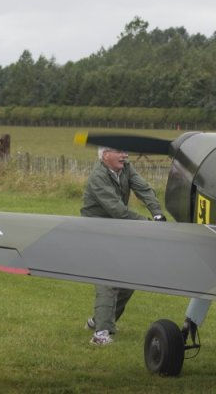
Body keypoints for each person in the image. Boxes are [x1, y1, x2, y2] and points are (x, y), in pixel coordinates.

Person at [81, 146, 166, 346]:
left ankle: (98, 320)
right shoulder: (97, 177)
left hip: (117, 229)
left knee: (129, 279)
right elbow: (117, 210)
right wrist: (147, 224)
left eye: (125, 152)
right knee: (107, 278)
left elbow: (144, 189)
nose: (125, 155)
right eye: (119, 152)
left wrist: (157, 214)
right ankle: (100, 334)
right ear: (105, 155)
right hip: (96, 230)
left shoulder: (126, 168)